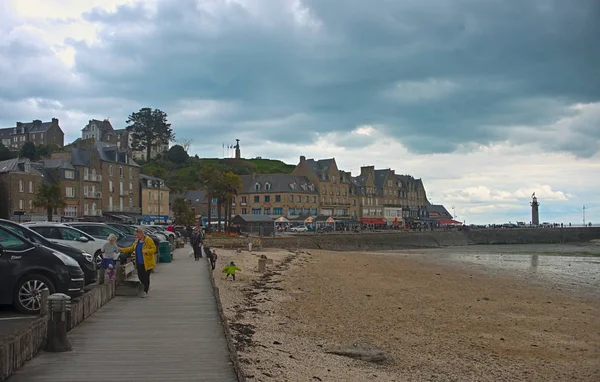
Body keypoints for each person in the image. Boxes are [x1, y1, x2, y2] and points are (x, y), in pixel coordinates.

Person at [120, 228, 157, 298]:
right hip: (139, 262)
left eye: (138, 235)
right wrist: (122, 249)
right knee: (140, 276)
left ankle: (145, 291)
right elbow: (131, 248)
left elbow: (154, 249)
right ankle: (145, 286)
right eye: (136, 235)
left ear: (142, 234)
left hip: (147, 263)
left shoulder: (148, 240)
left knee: (146, 277)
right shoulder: (137, 241)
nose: (137, 236)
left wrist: (147, 251)